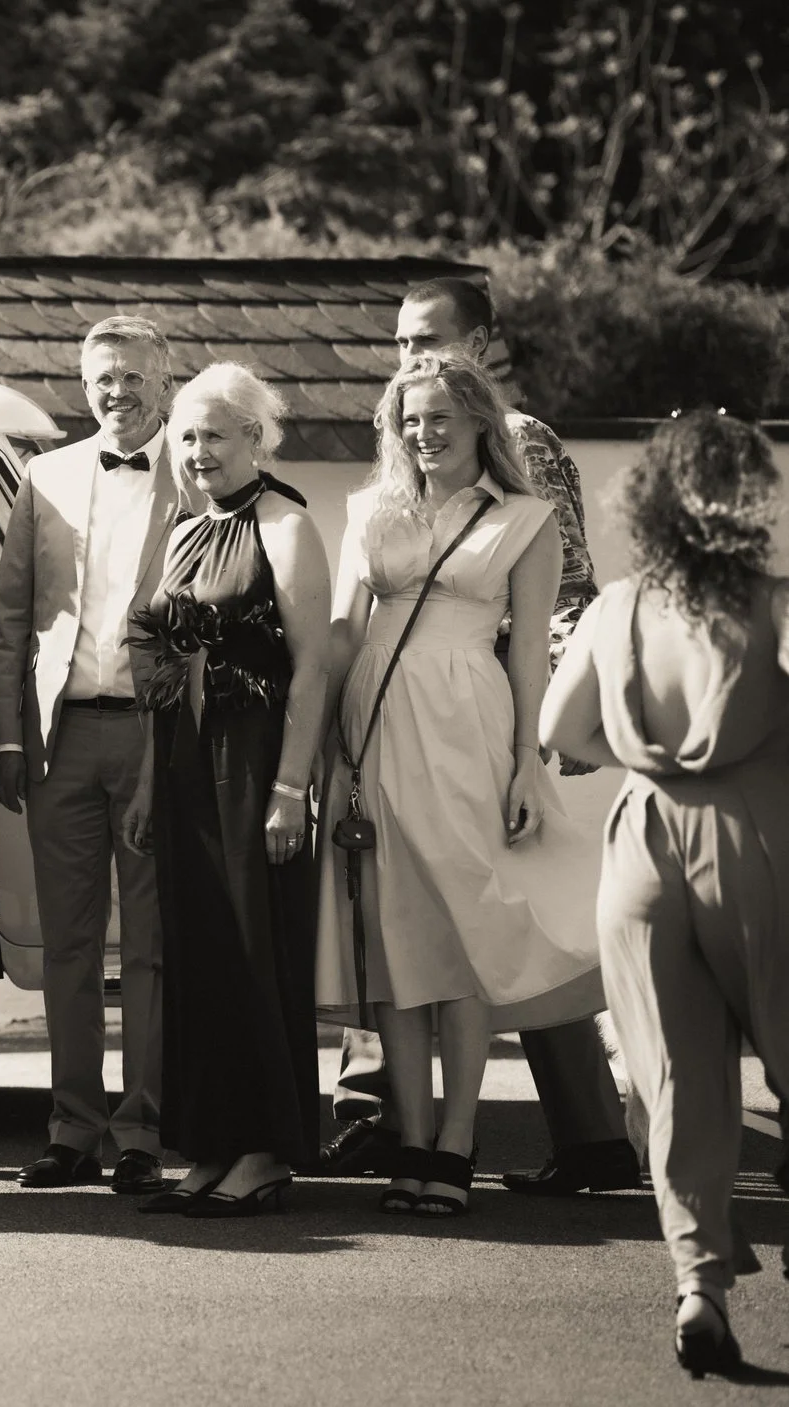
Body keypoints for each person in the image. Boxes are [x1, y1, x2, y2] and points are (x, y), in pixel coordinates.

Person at [322, 277, 641, 1197]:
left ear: (484, 348)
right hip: (382, 721)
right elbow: (346, 628)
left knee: (478, 927)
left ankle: (469, 1142)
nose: (414, 360)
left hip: (473, 710)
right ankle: (412, 1132)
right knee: (391, 932)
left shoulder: (525, 448)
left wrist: (541, 745)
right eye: (402, 343)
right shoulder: (375, 500)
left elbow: (561, 591)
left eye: (430, 340)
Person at [541, 411, 788, 1377]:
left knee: (679, 1078)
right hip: (761, 840)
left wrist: (648, 764)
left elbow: (564, 731)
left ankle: (700, 1287)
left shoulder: (620, 606)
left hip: (642, 847)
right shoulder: (771, 604)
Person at [0, 315, 184, 1197]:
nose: (117, 391)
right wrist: (5, 733)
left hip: (155, 731)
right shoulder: (46, 476)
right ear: (83, 381)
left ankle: (141, 1129)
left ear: (164, 380)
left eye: (134, 376)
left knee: (148, 944)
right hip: (60, 735)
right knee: (66, 944)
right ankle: (71, 1127)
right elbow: (11, 622)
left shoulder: (199, 470)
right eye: (103, 377)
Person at [126, 365, 330, 1218]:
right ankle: (209, 1144)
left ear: (255, 436)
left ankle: (263, 1151)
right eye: (185, 436)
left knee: (254, 949)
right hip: (181, 766)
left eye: (214, 434)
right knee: (198, 953)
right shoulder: (182, 527)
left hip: (254, 762)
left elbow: (316, 665)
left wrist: (291, 785)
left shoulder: (285, 523)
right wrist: (146, 782)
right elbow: (166, 666)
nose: (198, 451)